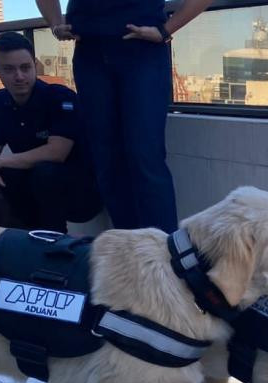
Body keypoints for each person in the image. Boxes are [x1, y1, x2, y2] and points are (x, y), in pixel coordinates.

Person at [36, 0, 214, 232]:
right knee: (106, 160)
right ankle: (127, 250)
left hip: (142, 53)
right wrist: (55, 23)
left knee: (144, 156)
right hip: (89, 54)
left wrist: (165, 30)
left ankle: (164, 255)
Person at [0, 31, 101, 232]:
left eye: (25, 68)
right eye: (9, 69)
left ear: (35, 64)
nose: (19, 76)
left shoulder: (60, 97)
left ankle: (53, 245)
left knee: (45, 172)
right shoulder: (0, 102)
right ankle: (5, 238)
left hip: (81, 192)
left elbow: (56, 153)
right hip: (33, 184)